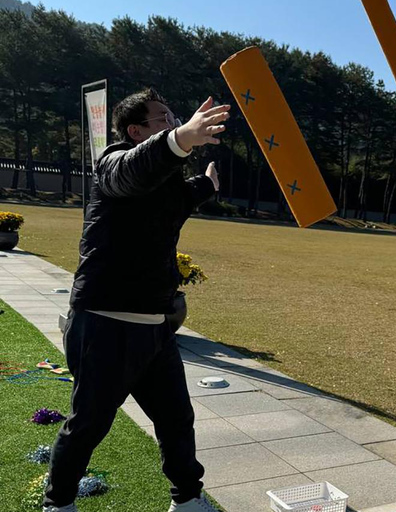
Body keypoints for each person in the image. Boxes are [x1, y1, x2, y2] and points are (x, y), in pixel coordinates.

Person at [43, 88, 230, 512]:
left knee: (176, 419)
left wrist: (205, 185)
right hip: (105, 322)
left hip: (155, 327)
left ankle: (187, 500)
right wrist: (180, 138)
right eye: (162, 118)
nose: (172, 122)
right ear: (134, 130)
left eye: (172, 117)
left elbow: (172, 202)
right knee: (89, 423)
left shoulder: (164, 181)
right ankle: (58, 504)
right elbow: (135, 171)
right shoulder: (113, 163)